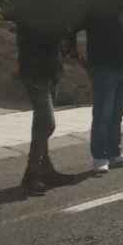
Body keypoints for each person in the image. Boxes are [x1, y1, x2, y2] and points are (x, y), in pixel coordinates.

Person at [75, 6, 123, 174]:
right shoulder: (94, 6)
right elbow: (73, 28)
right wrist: (77, 56)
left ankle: (114, 154)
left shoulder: (121, 7)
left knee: (117, 112)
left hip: (122, 66)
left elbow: (121, 32)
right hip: (103, 67)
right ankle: (99, 157)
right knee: (103, 114)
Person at [14, 22, 78, 195]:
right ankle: (31, 174)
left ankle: (46, 170)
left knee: (40, 123)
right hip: (34, 72)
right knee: (47, 123)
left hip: (51, 70)